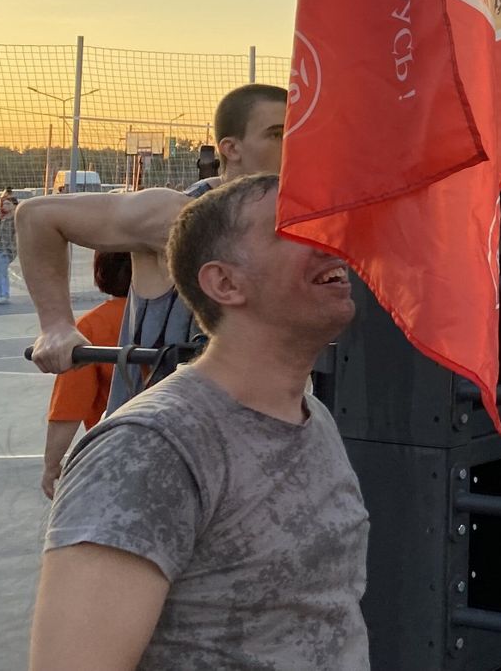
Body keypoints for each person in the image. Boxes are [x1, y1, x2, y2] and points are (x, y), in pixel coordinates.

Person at [32, 173, 368, 670]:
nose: (329, 243)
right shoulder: (151, 450)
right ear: (225, 283)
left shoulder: (311, 416)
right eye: (293, 230)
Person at [21, 83, 287, 416]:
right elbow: (37, 215)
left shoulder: (296, 221)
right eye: (278, 135)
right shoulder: (178, 212)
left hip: (251, 428)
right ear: (231, 148)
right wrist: (56, 326)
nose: (295, 146)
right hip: (159, 434)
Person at [41, 252, 132, 499]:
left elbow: (70, 405)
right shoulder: (185, 320)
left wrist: (52, 464)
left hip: (117, 450)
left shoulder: (90, 328)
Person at [0, 186, 18, 305]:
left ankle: (1, 294)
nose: (4, 206)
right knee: (3, 272)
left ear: (14, 205)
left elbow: (17, 235)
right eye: (4, 203)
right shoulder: (3, 218)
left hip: (8, 250)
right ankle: (4, 294)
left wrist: (13, 248)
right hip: (0, 248)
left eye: (7, 204)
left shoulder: (16, 219)